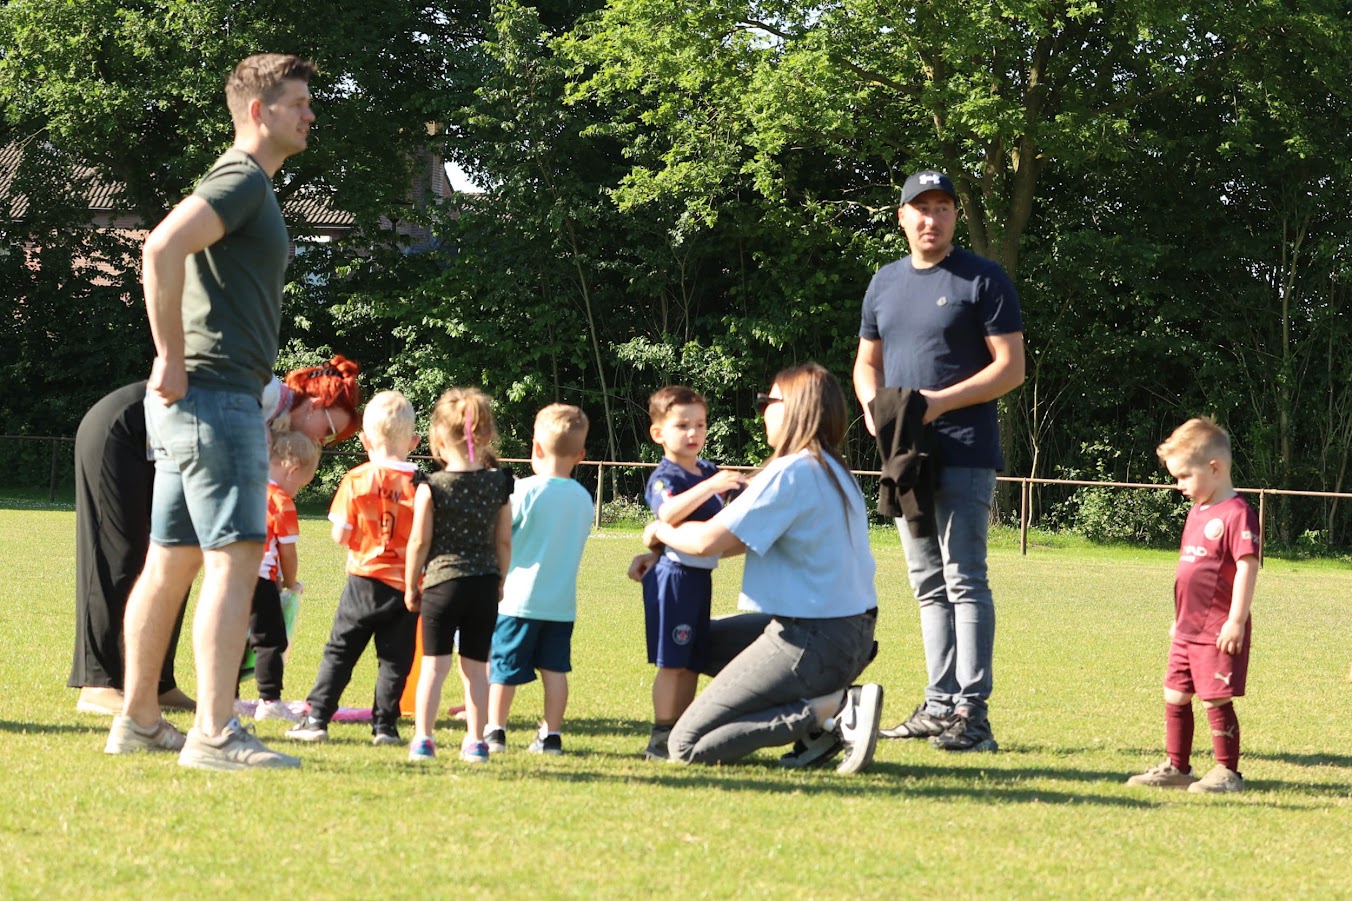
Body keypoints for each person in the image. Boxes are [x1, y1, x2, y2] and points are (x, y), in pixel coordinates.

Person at [105, 54, 318, 771]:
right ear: (258, 112)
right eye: (297, 103)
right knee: (234, 561)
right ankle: (216, 733)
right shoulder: (241, 179)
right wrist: (169, 352)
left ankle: (138, 719)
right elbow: (160, 245)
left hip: (196, 404)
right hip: (216, 398)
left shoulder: (247, 184)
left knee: (170, 563)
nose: (310, 115)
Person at [73, 357, 359, 717]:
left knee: (174, 560)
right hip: (125, 431)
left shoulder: (273, 421)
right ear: (317, 405)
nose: (323, 441)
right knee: (123, 555)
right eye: (329, 430)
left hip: (164, 446)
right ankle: (98, 682)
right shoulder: (262, 392)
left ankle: (158, 683)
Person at [853, 169, 1025, 753]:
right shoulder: (883, 283)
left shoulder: (984, 278)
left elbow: (1011, 368)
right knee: (927, 582)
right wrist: (878, 412)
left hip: (965, 451)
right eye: (920, 207)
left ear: (954, 216)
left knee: (964, 577)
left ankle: (972, 716)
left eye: (944, 207)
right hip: (906, 455)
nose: (932, 218)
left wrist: (935, 405)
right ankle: (938, 702)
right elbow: (866, 364)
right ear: (902, 216)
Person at [642, 363, 884, 774]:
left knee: (686, 745)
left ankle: (832, 710)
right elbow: (731, 543)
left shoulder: (790, 471)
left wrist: (659, 530)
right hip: (842, 634)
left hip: (812, 638)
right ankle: (818, 727)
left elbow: (705, 540)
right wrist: (664, 552)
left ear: (794, 409)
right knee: (696, 642)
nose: (761, 412)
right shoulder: (830, 468)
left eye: (766, 402)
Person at [1127, 418, 1259, 794]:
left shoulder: (1237, 514)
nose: (1179, 486)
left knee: (1214, 697)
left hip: (1218, 629)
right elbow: (1191, 572)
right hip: (1187, 628)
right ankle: (1177, 766)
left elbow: (1247, 568)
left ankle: (1227, 772)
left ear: (1214, 468)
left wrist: (1236, 621)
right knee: (1175, 693)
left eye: (1184, 476)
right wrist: (1178, 619)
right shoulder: (1198, 512)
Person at [286, 390, 422, 746]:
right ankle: (385, 727)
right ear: (413, 440)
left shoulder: (357, 479)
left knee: (340, 651)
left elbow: (340, 534)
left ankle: (317, 718)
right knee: (395, 659)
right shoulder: (423, 483)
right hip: (407, 584)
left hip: (364, 579)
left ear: (364, 439)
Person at [402, 388, 514, 764]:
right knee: (476, 669)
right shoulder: (499, 484)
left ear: (436, 438)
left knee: (434, 666)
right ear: (486, 436)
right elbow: (503, 539)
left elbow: (419, 540)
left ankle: (423, 738)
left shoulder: (431, 487)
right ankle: (475, 741)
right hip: (483, 585)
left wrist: (410, 582)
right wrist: (500, 579)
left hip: (440, 584)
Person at [635, 386, 745, 760]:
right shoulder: (665, 477)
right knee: (673, 662)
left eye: (700, 424)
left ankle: (681, 734)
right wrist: (711, 485)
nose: (693, 433)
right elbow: (667, 514)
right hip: (674, 579)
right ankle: (660, 738)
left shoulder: (707, 471)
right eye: (682, 425)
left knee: (692, 662)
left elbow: (742, 497)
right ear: (658, 434)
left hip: (700, 577)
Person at [484, 404, 592, 756]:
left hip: (516, 600)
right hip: (560, 605)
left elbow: (499, 532)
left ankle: (495, 732)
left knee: (502, 669)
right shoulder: (583, 499)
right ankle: (552, 737)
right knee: (555, 671)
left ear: (536, 448)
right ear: (581, 455)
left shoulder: (524, 490)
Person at [243, 430, 321, 722]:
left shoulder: (247, 487)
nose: (297, 492)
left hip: (231, 576)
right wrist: (290, 583)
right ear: (293, 470)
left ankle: (228, 697)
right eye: (300, 485)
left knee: (235, 638)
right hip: (260, 580)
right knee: (270, 640)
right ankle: (270, 699)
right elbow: (287, 553)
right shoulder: (281, 501)